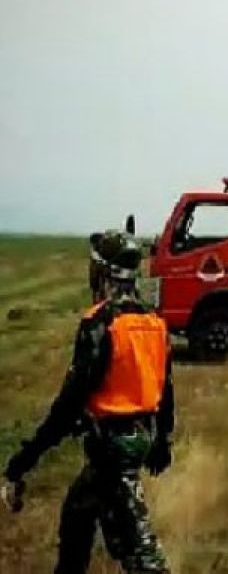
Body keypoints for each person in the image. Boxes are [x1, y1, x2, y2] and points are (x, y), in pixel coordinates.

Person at [4, 232, 175, 574]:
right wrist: (162, 440)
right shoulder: (155, 323)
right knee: (78, 515)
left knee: (141, 553)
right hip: (139, 436)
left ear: (102, 273)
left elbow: (71, 401)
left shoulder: (101, 323)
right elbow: (165, 389)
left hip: (113, 447)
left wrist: (24, 460)